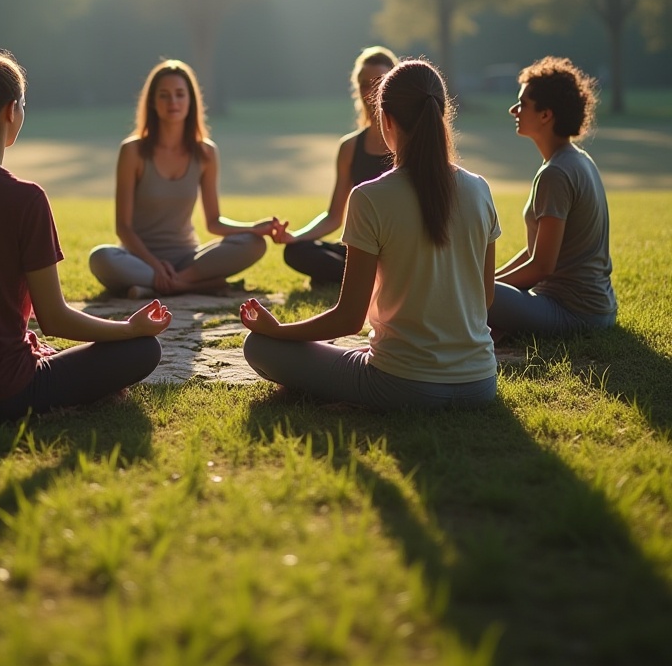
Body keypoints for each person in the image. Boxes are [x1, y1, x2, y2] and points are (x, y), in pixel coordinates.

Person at [0, 32, 171, 420]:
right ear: (11, 111)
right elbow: (54, 318)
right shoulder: (25, 199)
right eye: (23, 105)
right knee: (144, 351)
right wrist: (129, 329)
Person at [240, 59, 499, 411]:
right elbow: (483, 298)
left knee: (259, 347)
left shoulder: (370, 197)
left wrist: (278, 331)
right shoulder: (480, 189)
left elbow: (349, 318)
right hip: (480, 383)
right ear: (441, 115)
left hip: (402, 385)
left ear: (386, 120)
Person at [89, 59, 278, 299]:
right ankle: (197, 285)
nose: (173, 102)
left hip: (189, 259)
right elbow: (123, 228)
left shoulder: (206, 153)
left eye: (180, 94)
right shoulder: (132, 151)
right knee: (101, 257)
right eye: (164, 95)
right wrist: (156, 266)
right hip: (140, 259)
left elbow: (214, 222)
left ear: (191, 101)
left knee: (254, 244)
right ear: (152, 103)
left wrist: (253, 228)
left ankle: (172, 284)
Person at [488, 56, 616, 339]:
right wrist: (491, 281)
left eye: (522, 104)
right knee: (473, 289)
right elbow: (537, 252)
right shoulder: (576, 160)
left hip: (574, 313)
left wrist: (483, 288)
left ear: (546, 115)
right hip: (596, 309)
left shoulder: (556, 173)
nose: (514, 110)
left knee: (460, 293)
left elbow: (541, 267)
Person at [274, 45, 398, 285]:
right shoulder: (350, 147)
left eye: (379, 82)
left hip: (398, 248)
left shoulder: (407, 141)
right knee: (297, 251)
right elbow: (334, 216)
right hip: (360, 248)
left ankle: (356, 278)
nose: (370, 91)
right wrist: (294, 236)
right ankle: (365, 278)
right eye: (364, 84)